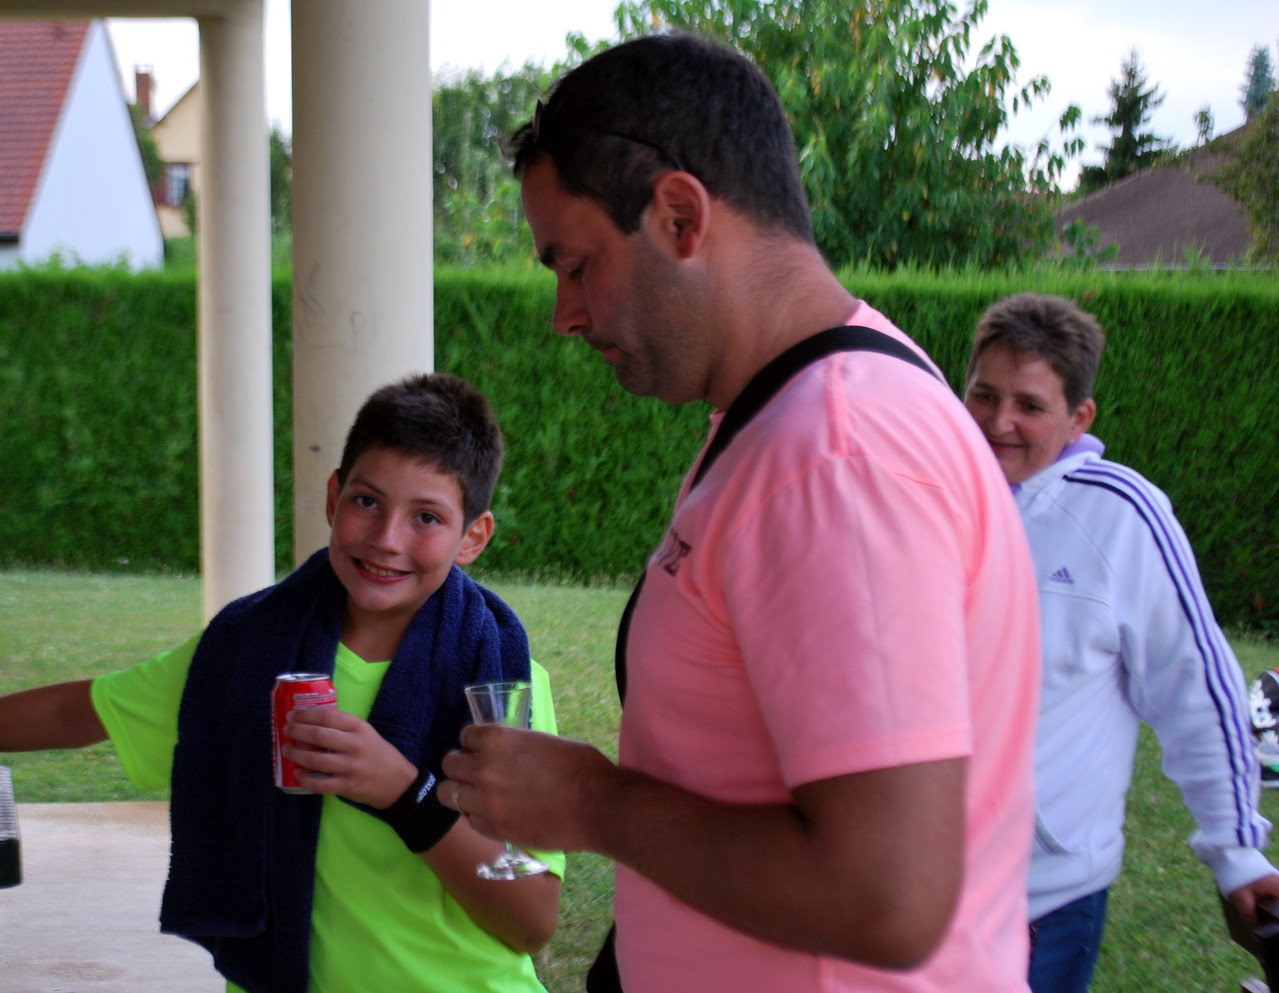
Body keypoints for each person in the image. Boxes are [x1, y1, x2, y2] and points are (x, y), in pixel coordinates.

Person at [439, 33, 1041, 993]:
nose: (563, 311)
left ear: (679, 214)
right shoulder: (802, 410)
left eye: (576, 263)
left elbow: (886, 895)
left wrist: (592, 802)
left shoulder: (835, 455)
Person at [0, 372, 563, 993]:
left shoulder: (503, 684)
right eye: (367, 501)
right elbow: (79, 712)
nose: (386, 539)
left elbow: (531, 920)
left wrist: (403, 792)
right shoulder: (248, 654)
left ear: (472, 538)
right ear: (333, 497)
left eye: (426, 516)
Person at [960, 293, 1279, 993]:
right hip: (900, 892)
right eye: (982, 394)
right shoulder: (923, 492)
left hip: (1042, 900)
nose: (997, 422)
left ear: (1079, 418)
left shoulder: (1122, 515)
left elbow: (1194, 689)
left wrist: (1236, 853)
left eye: (1029, 405)